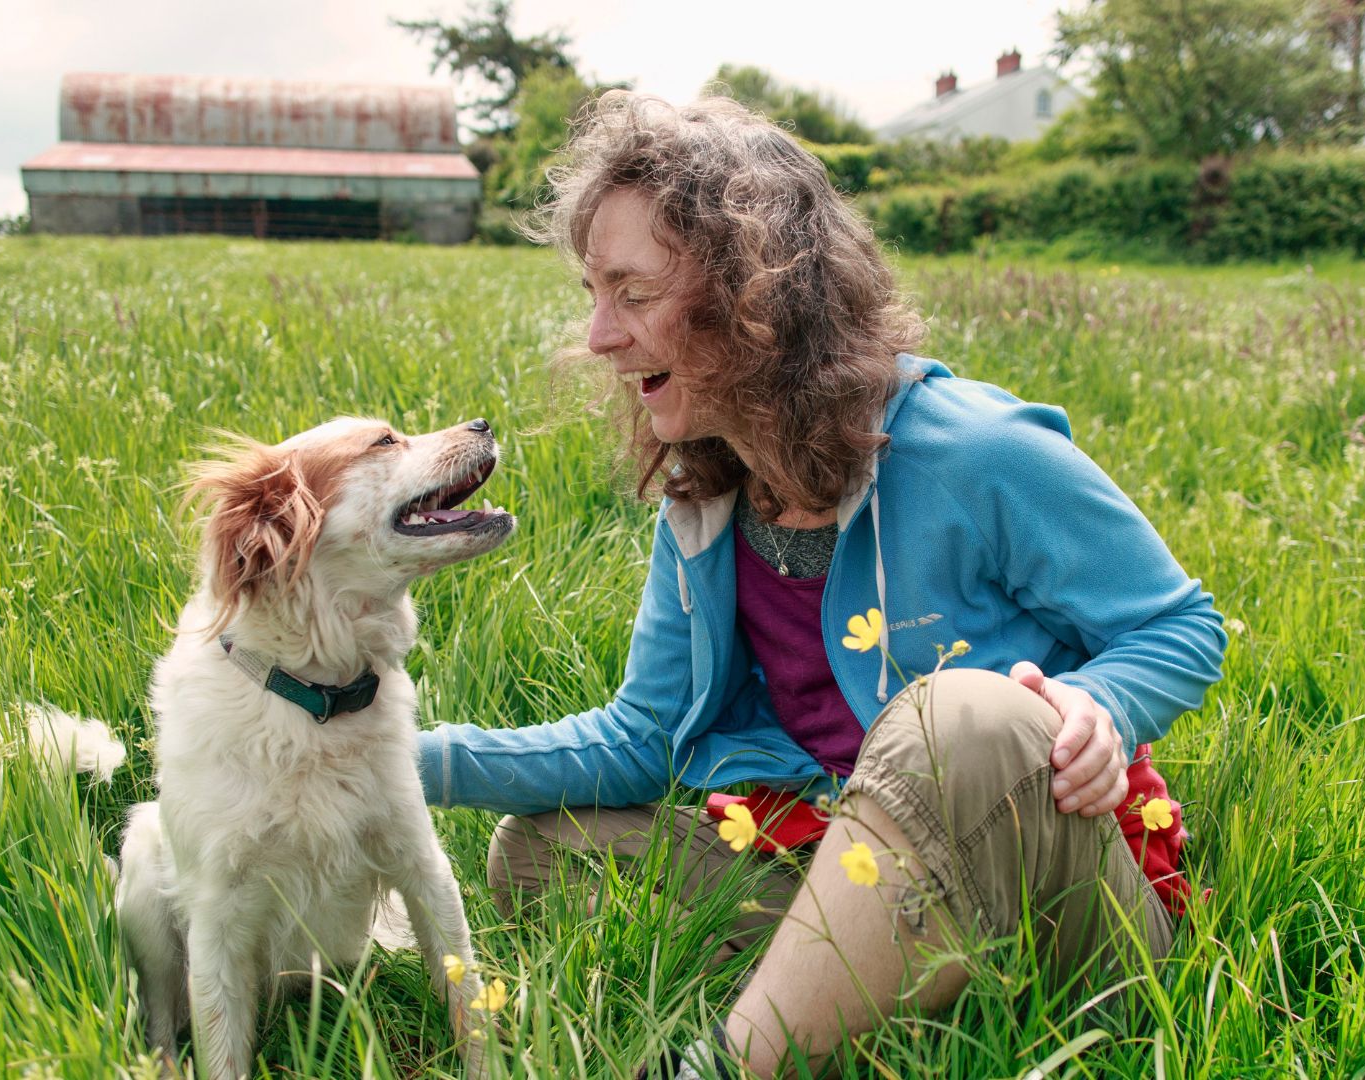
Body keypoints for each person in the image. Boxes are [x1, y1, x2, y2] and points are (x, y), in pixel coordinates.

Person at [415, 91, 1226, 1078]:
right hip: (844, 853)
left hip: (1058, 905)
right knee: (538, 851)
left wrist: (1096, 707)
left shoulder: (977, 451)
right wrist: (391, 757)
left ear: (757, 293)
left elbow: (1181, 625)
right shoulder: (709, 499)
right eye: (593, 293)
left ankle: (727, 1065)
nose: (598, 336)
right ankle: (865, 1010)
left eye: (632, 294)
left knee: (958, 716)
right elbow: (640, 740)